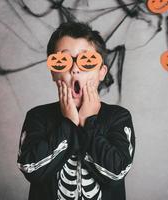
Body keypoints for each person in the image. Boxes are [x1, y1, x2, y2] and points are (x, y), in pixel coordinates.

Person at [17, 21, 135, 200]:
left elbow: (116, 173)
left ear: (102, 72)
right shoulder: (38, 117)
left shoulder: (118, 117)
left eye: (86, 61)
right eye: (63, 61)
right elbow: (32, 169)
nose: (75, 69)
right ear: (53, 72)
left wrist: (89, 122)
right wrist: (68, 123)